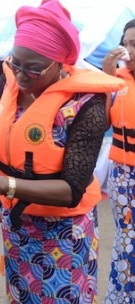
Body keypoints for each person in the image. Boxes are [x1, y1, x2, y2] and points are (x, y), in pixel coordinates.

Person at [0, 0, 124, 303]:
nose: (20, 76)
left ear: (60, 63)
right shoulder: (8, 83)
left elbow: (72, 188)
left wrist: (1, 185)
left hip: (65, 234)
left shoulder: (87, 105)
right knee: (21, 294)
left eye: (33, 69)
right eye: (15, 63)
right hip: (18, 227)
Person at [101, 19, 135, 303]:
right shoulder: (115, 80)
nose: (129, 50)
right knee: (128, 238)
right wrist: (104, 79)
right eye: (126, 44)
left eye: (134, 43)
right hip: (123, 173)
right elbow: (101, 123)